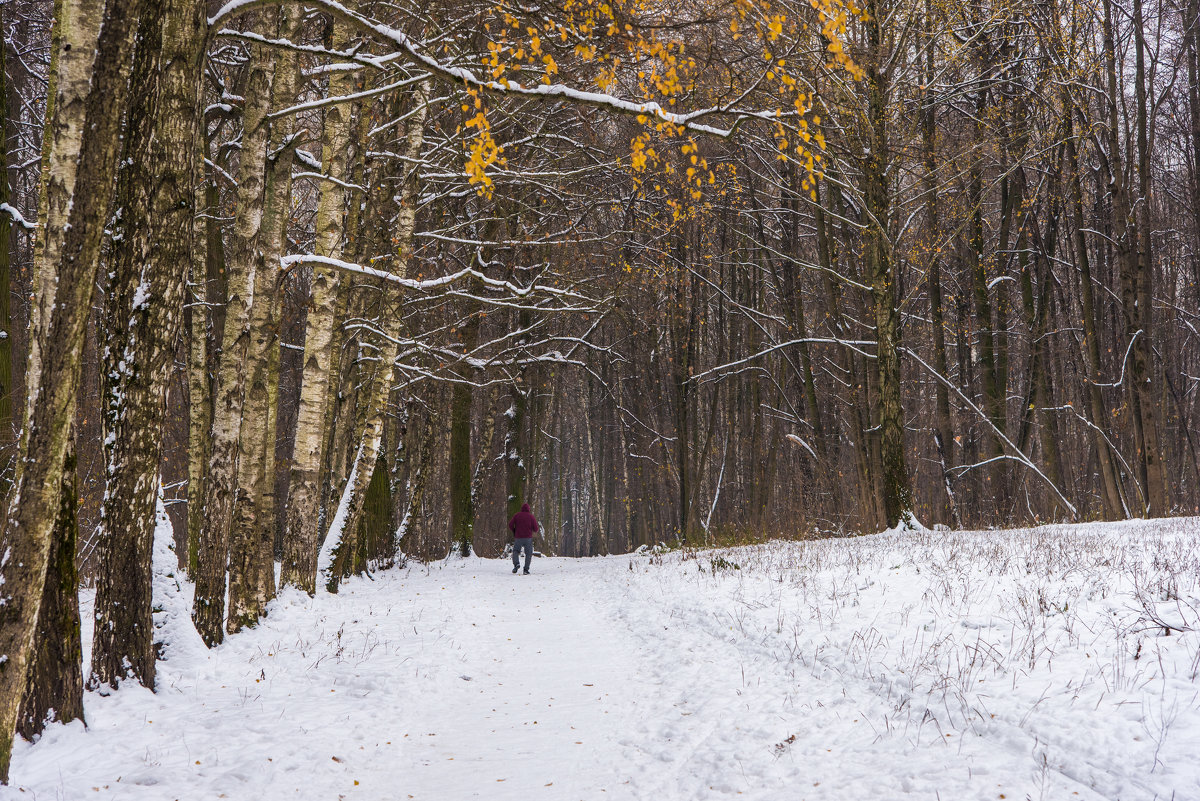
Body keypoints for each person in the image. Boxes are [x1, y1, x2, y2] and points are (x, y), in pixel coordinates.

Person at [508, 502, 538, 574]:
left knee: (515, 551)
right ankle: (526, 570)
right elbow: (536, 528)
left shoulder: (517, 515)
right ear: (528, 509)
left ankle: (516, 564)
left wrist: (514, 530)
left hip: (518, 537)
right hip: (528, 538)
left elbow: (510, 525)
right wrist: (532, 530)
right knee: (528, 553)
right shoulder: (531, 517)